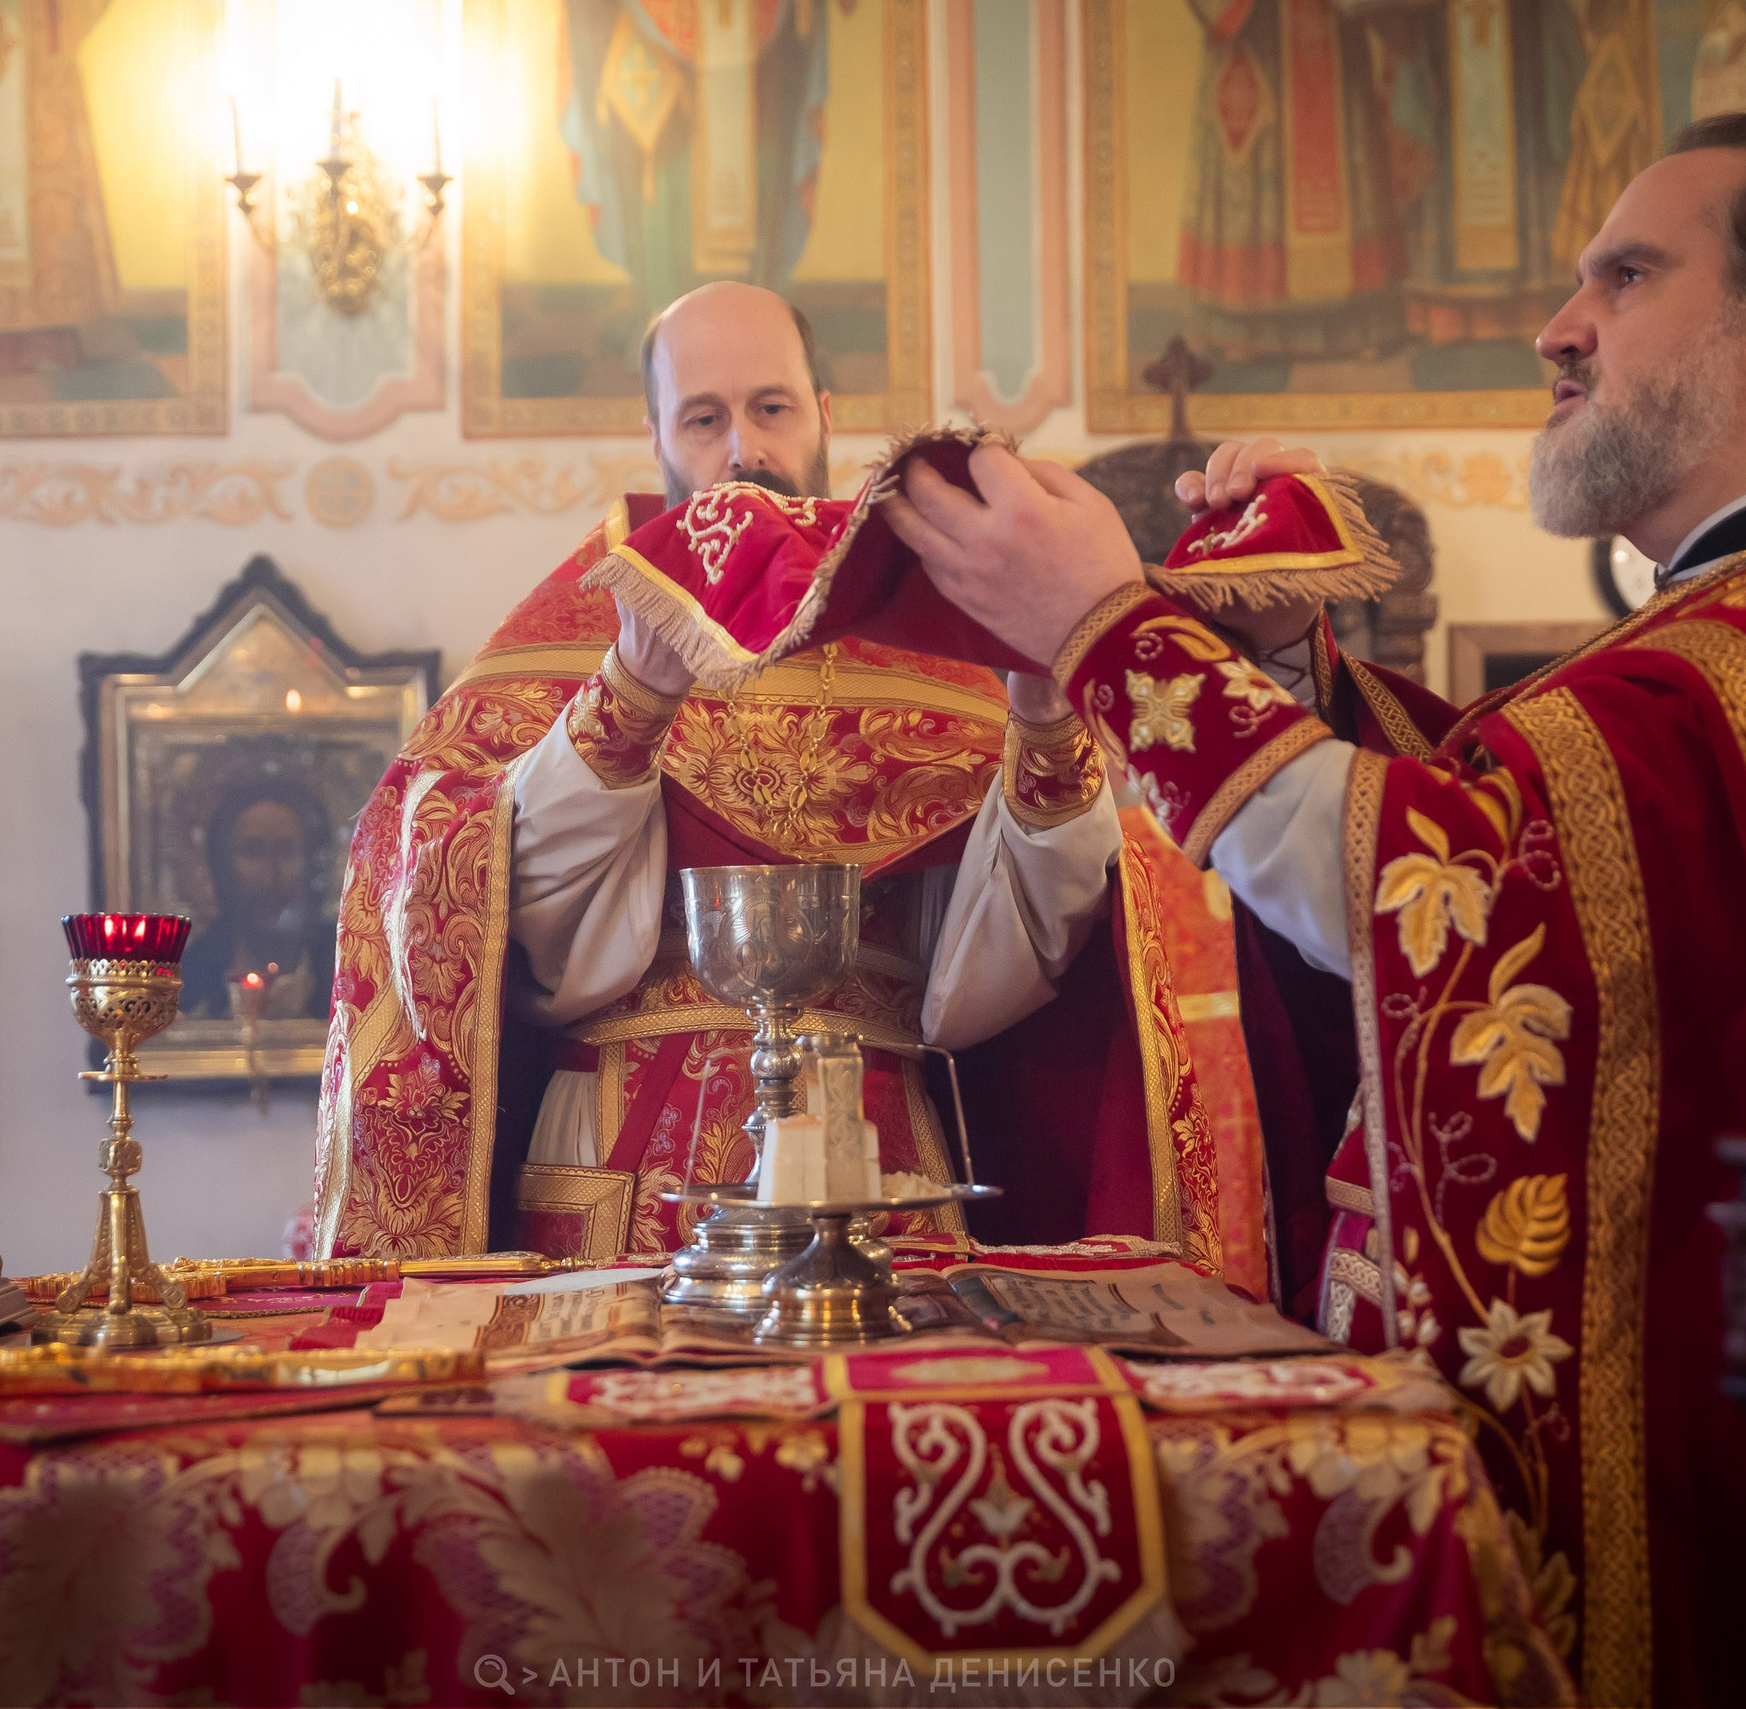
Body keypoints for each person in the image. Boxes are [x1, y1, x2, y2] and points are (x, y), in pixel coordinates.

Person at [884, 112, 1746, 1706]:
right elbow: (1532, 835)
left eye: (1626, 277)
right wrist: (1288, 661)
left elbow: (1439, 889)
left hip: (1719, 1466)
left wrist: (1104, 628)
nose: (1553, 329)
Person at [314, 282, 1267, 1275]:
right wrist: (630, 696)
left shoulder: (943, 632)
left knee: (876, 1431)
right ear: (656, 436)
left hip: (880, 1159)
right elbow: (462, 889)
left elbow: (1012, 959)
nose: (740, 450)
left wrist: (1040, 715)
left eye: (770, 408)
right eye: (703, 417)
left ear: (825, 415)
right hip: (618, 1171)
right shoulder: (580, 626)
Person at [179, 775, 337, 1022]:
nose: (271, 874)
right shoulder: (192, 974)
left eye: (288, 851)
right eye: (253, 851)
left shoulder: (343, 967)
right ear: (222, 866)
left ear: (313, 864)